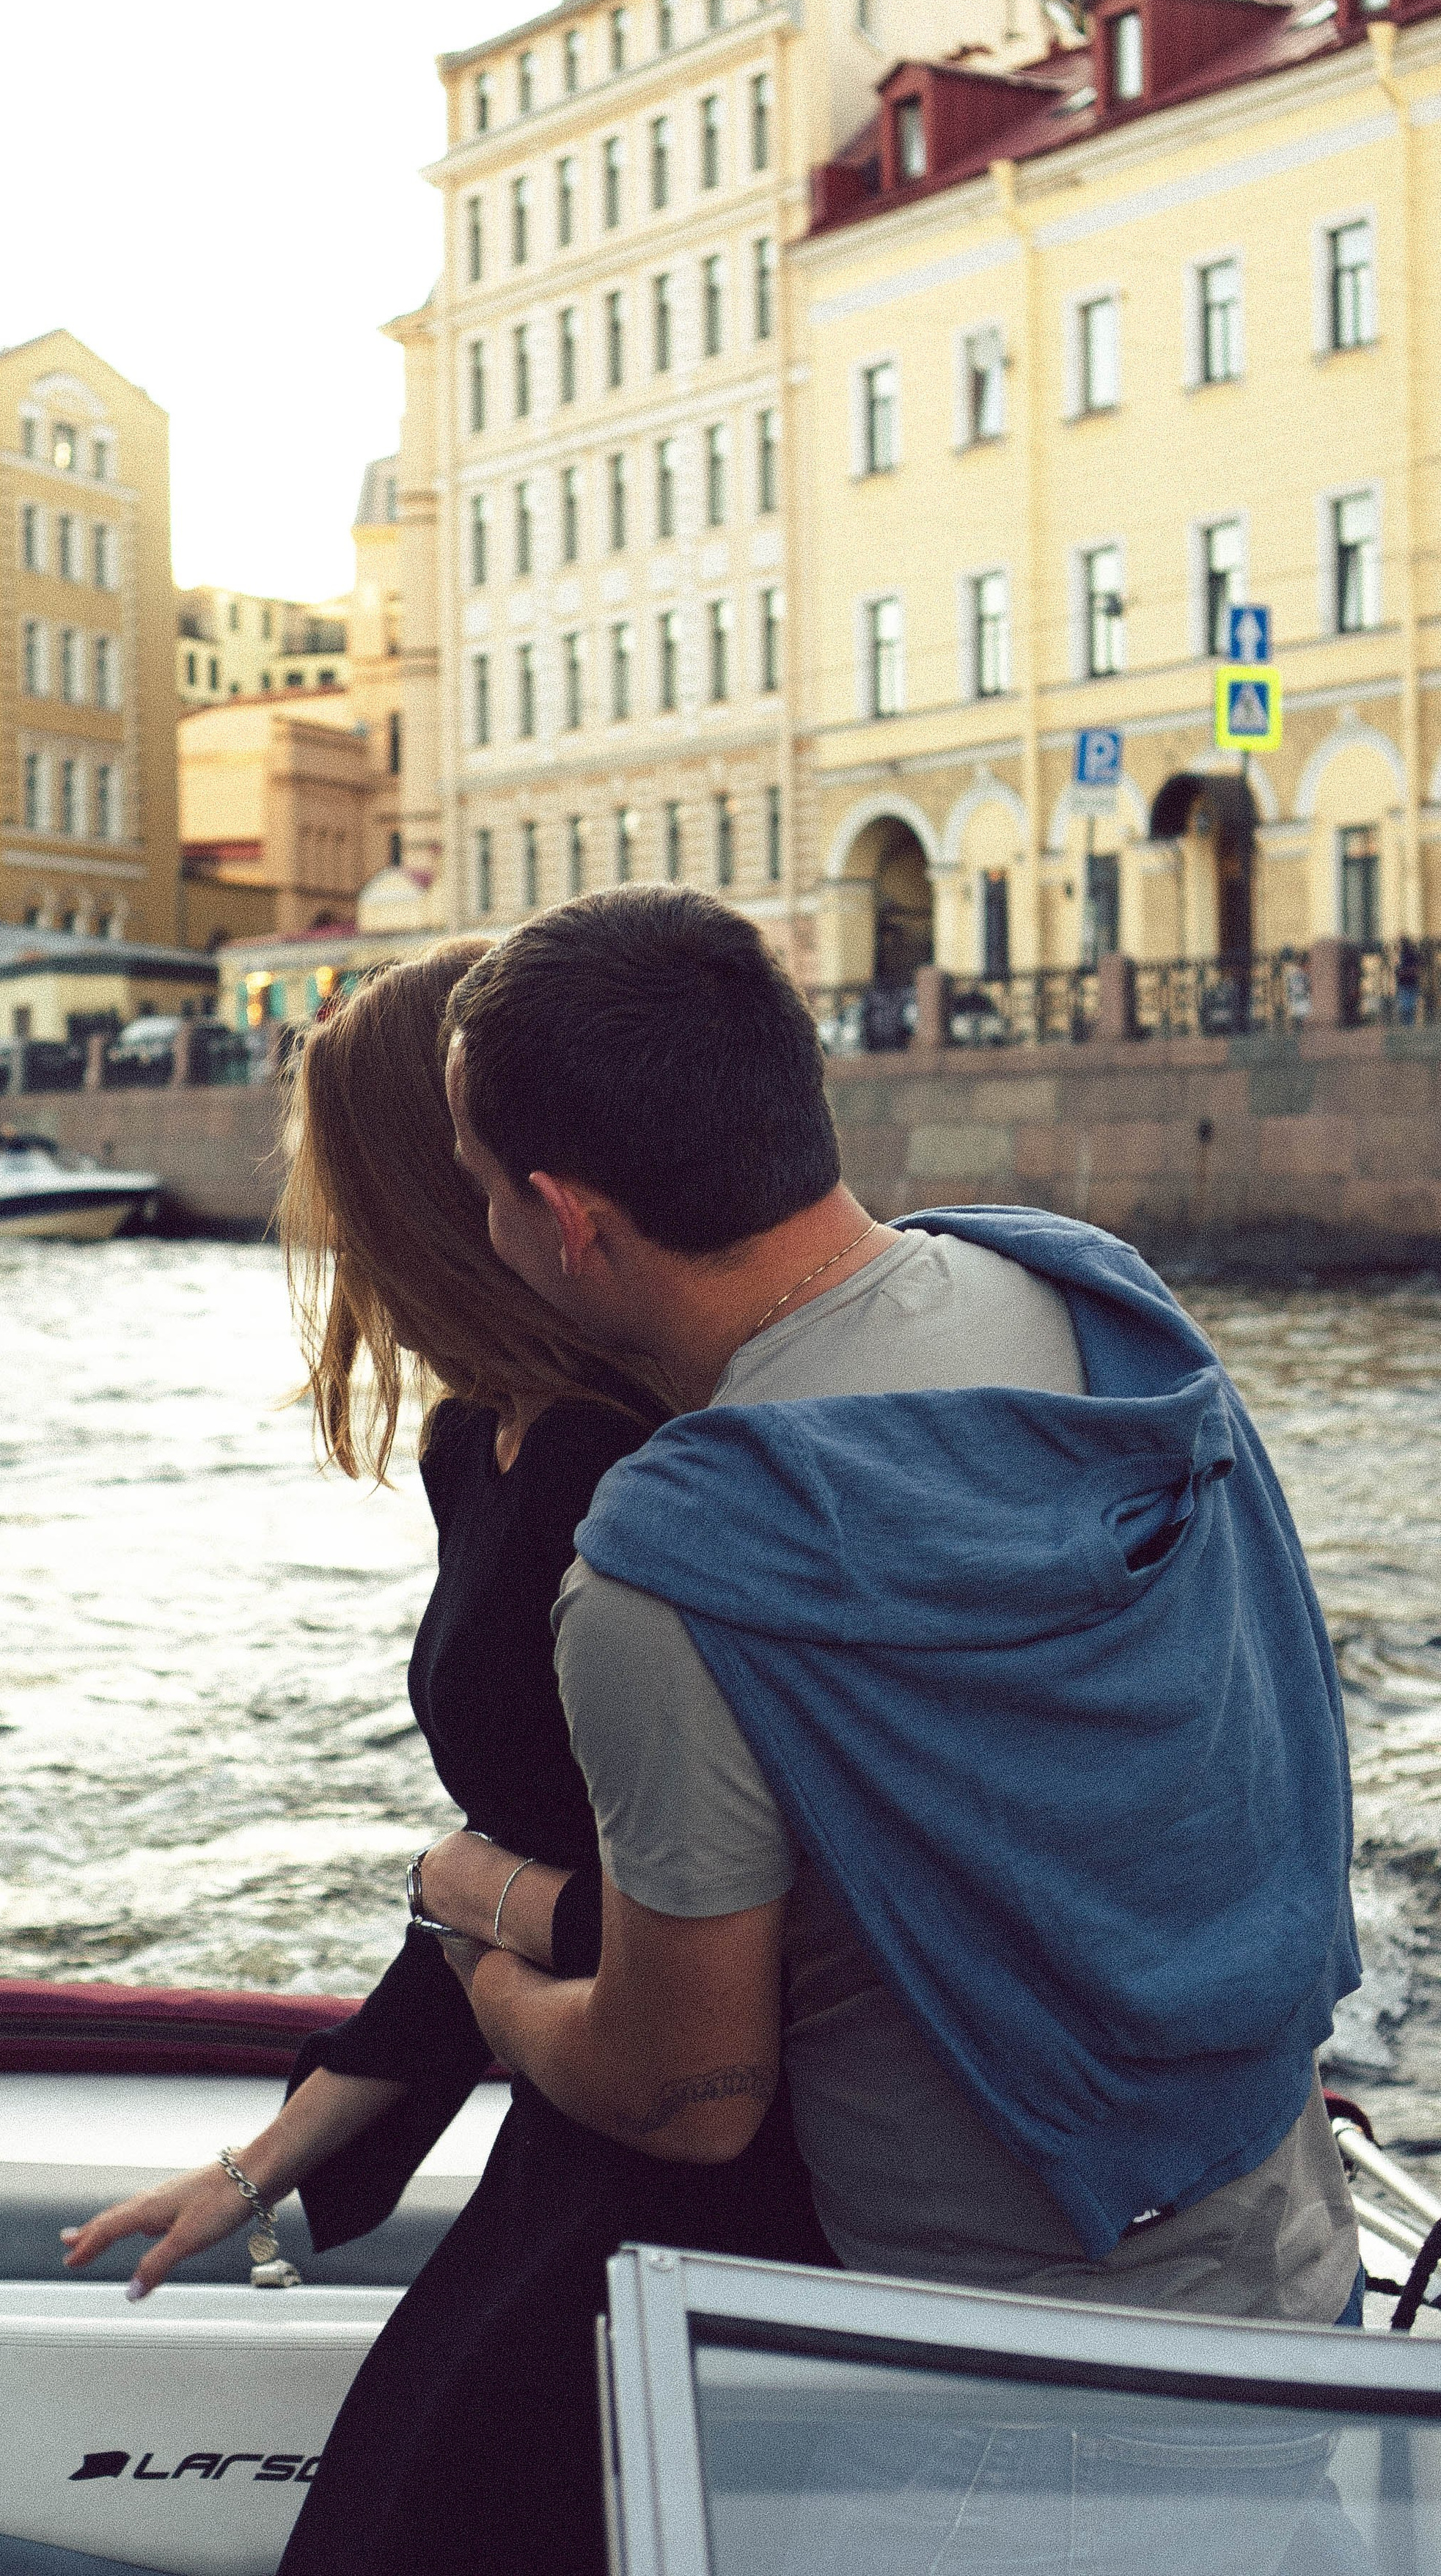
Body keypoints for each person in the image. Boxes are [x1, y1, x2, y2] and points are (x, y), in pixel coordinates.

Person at [439, 886, 1363, 2328]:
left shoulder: (668, 1567)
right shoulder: (1098, 1302)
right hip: (1289, 2244)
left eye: (483, 1191)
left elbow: (685, 2093)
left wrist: (485, 1963)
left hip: (997, 2353)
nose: (485, 1231)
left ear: (565, 1220)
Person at [58, 939, 829, 2576]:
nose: (322, 1229)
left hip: (708, 2143)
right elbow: (495, 1849)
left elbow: (694, 1914)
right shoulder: (474, 1443)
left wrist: (482, 1909)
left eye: (343, 1185)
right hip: (580, 2095)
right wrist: (258, 2167)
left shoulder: (622, 1468)